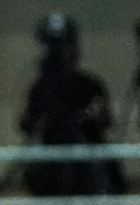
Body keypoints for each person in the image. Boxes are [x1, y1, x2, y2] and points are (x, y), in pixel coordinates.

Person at [20, 13, 124, 195]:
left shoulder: (90, 85)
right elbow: (27, 125)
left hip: (88, 156)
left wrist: (91, 118)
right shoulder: (41, 88)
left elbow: (106, 122)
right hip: (52, 160)